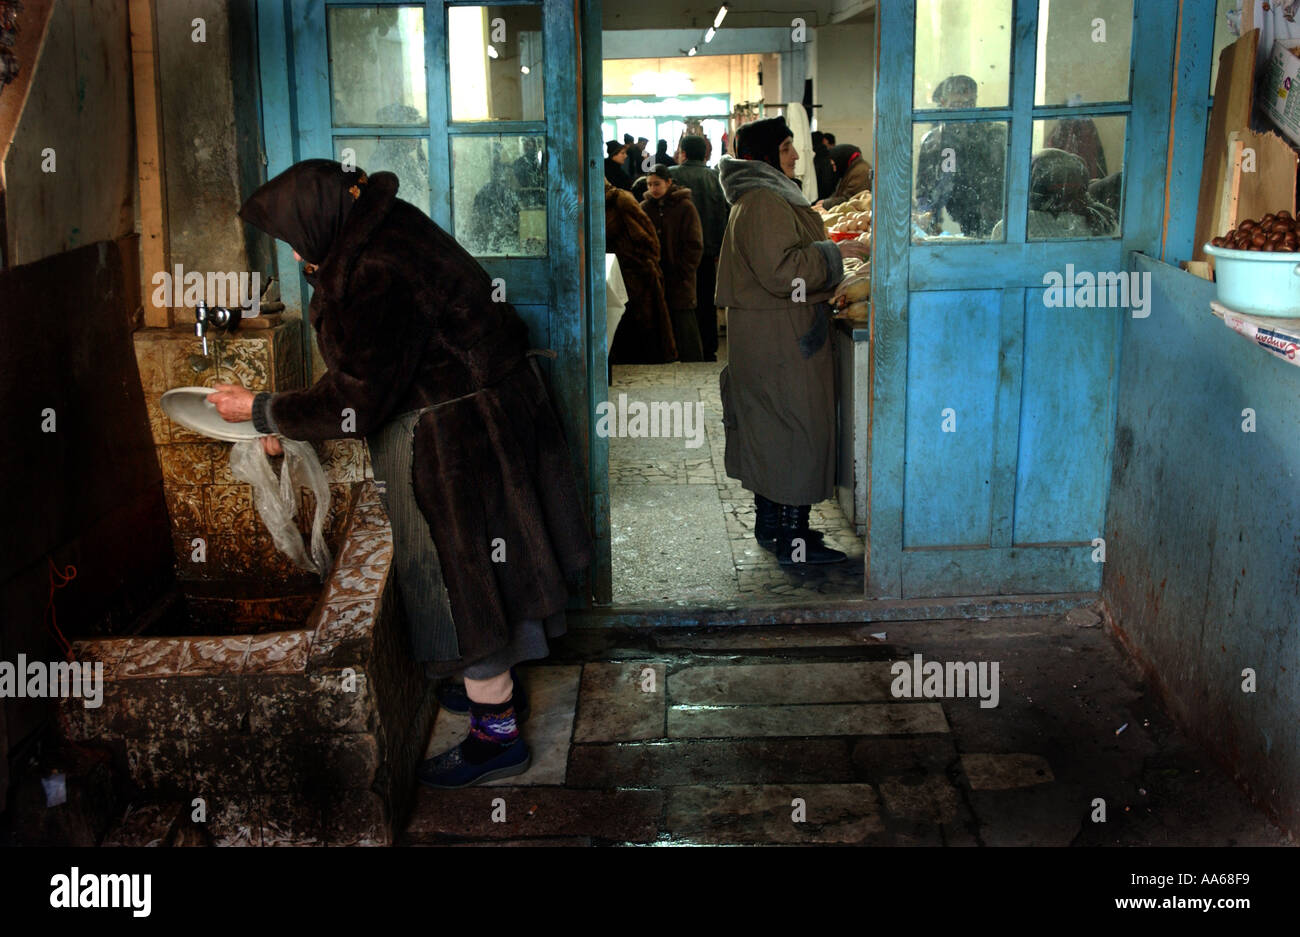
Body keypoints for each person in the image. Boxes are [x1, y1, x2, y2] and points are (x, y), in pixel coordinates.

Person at [208, 160, 592, 788]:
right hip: (489, 413)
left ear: (317, 218)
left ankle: (497, 737)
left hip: (455, 437)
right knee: (497, 565)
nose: (296, 250)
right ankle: (495, 693)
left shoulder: (375, 269)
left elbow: (357, 399)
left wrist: (260, 412)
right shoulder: (384, 229)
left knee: (460, 577)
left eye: (294, 237)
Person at [715, 116, 861, 566]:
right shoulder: (763, 201)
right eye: (785, 148)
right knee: (795, 431)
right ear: (763, 157)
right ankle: (793, 542)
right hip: (780, 338)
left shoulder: (765, 196)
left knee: (777, 431)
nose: (796, 155)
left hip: (777, 334)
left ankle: (775, 527)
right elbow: (783, 273)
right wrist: (836, 254)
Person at [914, 75, 1007, 238]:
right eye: (957, 105)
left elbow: (1006, 181)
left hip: (993, 224)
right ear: (943, 103)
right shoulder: (933, 142)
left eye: (969, 103)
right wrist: (929, 222)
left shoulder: (995, 136)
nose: (965, 110)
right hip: (949, 227)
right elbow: (924, 193)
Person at [669, 134, 729, 361]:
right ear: (706, 153)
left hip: (678, 252)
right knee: (706, 299)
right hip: (709, 250)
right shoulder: (716, 178)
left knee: (680, 300)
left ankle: (683, 347)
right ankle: (708, 347)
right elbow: (727, 212)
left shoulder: (672, 176)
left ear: (682, 152)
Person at [606, 178, 677, 364]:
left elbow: (649, 240)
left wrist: (638, 263)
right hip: (613, 276)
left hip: (635, 277)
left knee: (641, 334)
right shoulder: (586, 203)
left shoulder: (620, 200)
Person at [642, 164, 705, 362]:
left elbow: (694, 243)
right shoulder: (645, 208)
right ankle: (663, 358)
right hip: (656, 275)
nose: (653, 188)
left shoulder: (685, 207)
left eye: (657, 184)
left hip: (680, 276)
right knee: (659, 319)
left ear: (669, 182)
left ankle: (692, 361)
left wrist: (684, 270)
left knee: (684, 320)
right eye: (650, 184)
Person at [819, 143, 873, 210]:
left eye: (834, 165)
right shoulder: (850, 169)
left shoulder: (860, 172)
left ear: (841, 160)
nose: (834, 169)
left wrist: (826, 203)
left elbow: (852, 199)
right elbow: (839, 193)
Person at [811, 131, 835, 203]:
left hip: (814, 194)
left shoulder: (812, 156)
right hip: (826, 196)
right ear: (823, 141)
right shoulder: (827, 155)